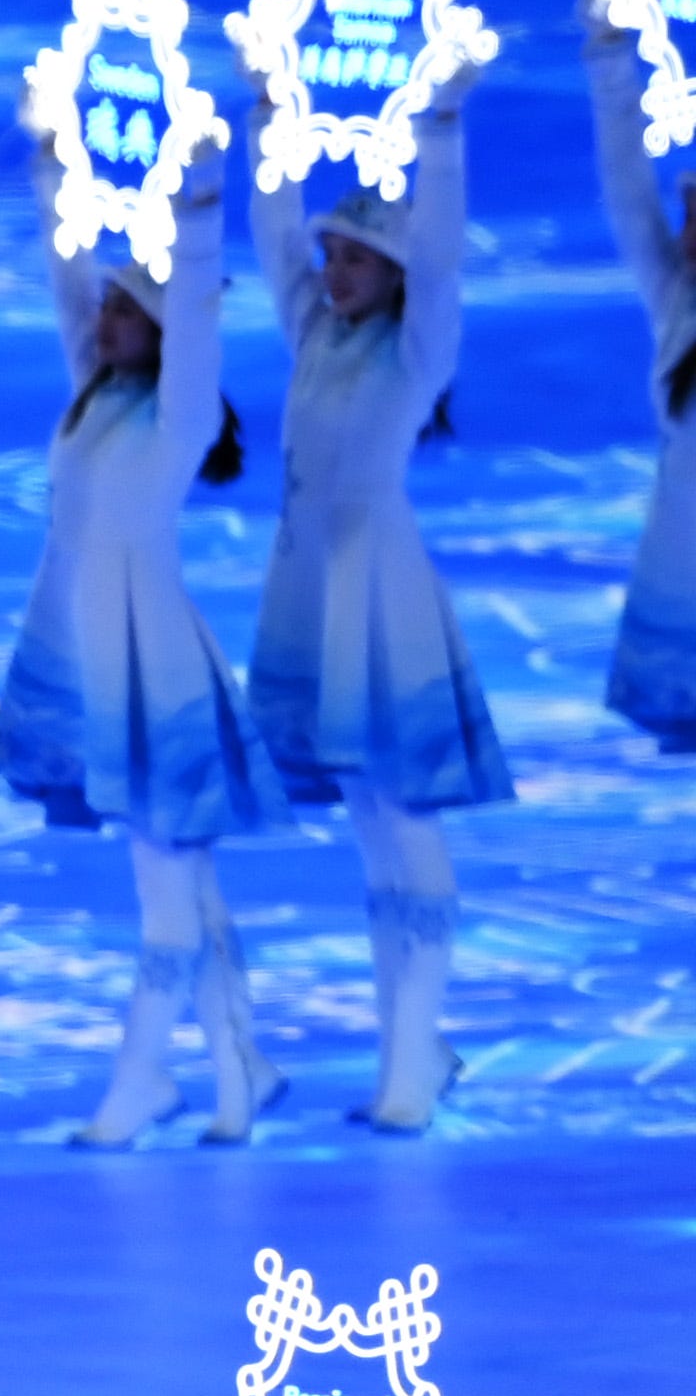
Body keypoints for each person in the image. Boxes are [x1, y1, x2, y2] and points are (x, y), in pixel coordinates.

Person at [0, 159, 287, 1146]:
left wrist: (200, 214)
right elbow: (65, 284)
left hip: (150, 660)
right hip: (88, 649)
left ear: (166, 335)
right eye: (109, 309)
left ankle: (142, 1079)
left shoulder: (178, 416)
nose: (105, 322)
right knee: (181, 881)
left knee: (167, 883)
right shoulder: (95, 399)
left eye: (127, 312)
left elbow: (197, 322)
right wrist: (54, 175)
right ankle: (236, 1065)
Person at [250, 90, 502, 1129]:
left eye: (353, 257)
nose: (330, 269)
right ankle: (415, 1042)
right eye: (331, 254)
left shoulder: (414, 350)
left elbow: (441, 261)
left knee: (406, 818)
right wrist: (271, 115)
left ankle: (414, 1058)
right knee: (366, 826)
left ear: (397, 276)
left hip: (380, 590)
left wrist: (439, 136)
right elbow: (273, 232)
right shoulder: (317, 331)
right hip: (312, 586)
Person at [588, 0, 696, 751]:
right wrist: (608, 59)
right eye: (692, 213)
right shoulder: (678, 304)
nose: (690, 232)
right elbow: (629, 194)